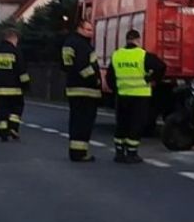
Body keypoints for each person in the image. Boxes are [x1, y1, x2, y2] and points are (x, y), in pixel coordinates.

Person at [105, 29, 166, 164]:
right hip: (140, 96)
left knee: (121, 124)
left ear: (126, 40)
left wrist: (117, 89)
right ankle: (132, 153)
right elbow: (161, 67)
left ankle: (119, 153)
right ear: (138, 40)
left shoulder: (117, 55)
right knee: (136, 124)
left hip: (122, 95)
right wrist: (152, 79)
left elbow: (110, 78)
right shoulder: (143, 55)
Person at [61, 19, 101, 162]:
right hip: (86, 90)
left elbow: (66, 66)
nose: (91, 33)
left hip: (73, 88)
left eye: (91, 30)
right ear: (80, 28)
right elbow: (83, 66)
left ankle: (76, 151)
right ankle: (80, 153)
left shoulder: (69, 43)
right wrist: (94, 80)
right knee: (84, 122)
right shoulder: (83, 45)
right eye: (88, 30)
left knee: (76, 121)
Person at [0, 29, 30, 142]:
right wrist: (26, 85)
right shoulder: (16, 52)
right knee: (17, 108)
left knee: (1, 112)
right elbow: (22, 71)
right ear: (13, 38)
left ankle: (3, 134)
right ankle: (13, 128)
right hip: (15, 90)